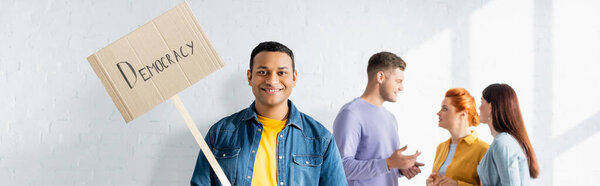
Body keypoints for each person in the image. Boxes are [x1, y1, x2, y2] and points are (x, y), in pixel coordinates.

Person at [191, 41, 347, 186]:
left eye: (281, 73)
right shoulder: (219, 134)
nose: (272, 81)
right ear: (249, 76)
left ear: (294, 78)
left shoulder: (320, 139)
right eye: (263, 72)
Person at [333, 51, 423, 186]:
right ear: (380, 77)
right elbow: (341, 167)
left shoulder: (390, 118)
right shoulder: (351, 113)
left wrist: (400, 168)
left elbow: (383, 164)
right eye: (398, 81)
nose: (401, 88)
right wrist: (389, 163)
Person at [477, 83, 539, 185]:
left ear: (490, 106)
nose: (479, 108)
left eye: (481, 102)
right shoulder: (503, 142)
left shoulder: (503, 143)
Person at [426, 88, 489, 186]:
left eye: (445, 108)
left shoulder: (483, 150)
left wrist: (457, 184)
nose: (438, 113)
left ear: (462, 114)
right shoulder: (441, 148)